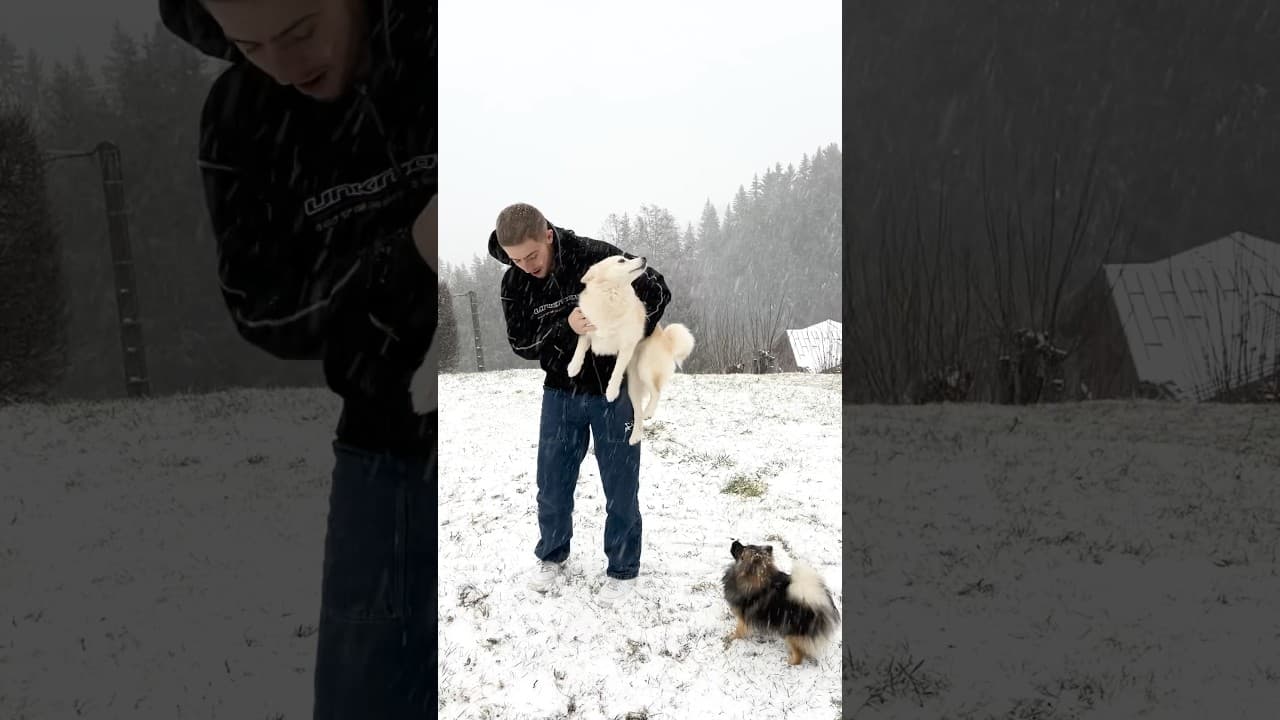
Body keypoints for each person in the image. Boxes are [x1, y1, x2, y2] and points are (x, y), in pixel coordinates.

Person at [158, 0, 435, 717]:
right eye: (249, 44)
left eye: (301, 30)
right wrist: (402, 256)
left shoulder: (451, 50)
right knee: (364, 696)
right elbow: (263, 309)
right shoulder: (240, 116)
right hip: (384, 451)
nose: (283, 64)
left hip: (516, 413)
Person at [488, 202, 671, 606]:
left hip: (613, 390)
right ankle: (552, 555)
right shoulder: (514, 285)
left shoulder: (594, 257)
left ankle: (623, 570)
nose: (526, 266)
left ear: (548, 234)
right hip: (560, 393)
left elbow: (657, 288)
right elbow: (521, 344)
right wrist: (563, 325)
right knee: (552, 485)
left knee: (621, 487)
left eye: (532, 255)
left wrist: (629, 332)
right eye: (516, 259)